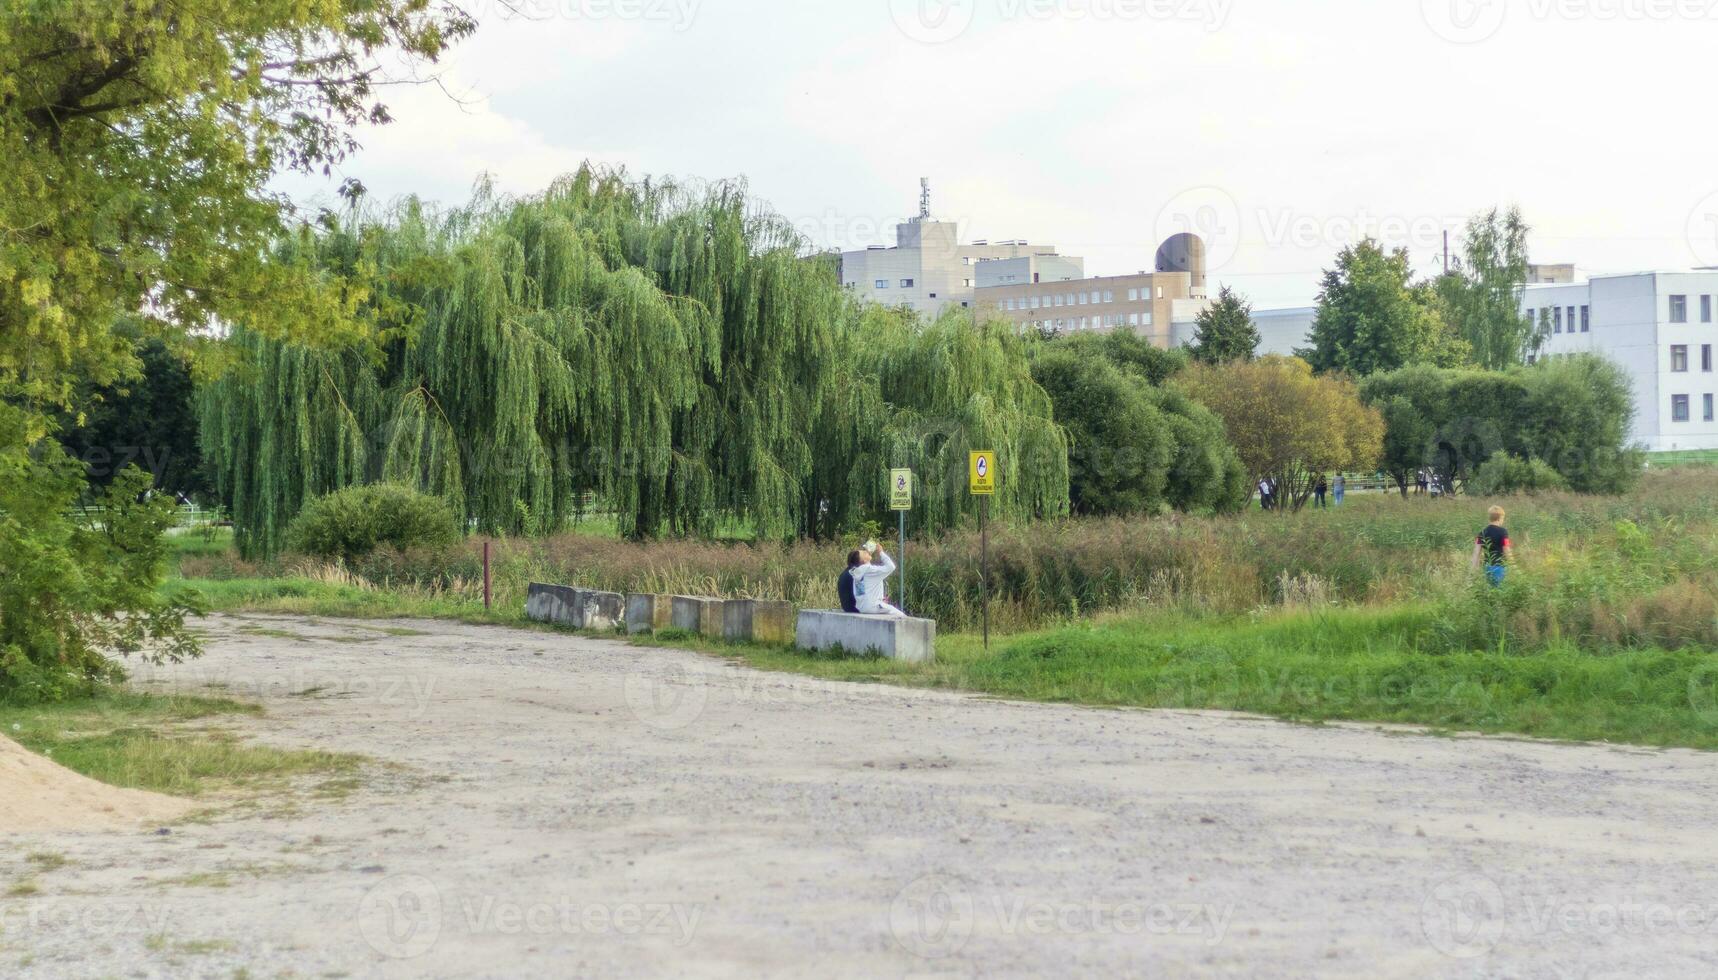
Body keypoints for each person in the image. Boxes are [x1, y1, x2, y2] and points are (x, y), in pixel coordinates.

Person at [849, 540, 905, 617]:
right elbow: (891, 567)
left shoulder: (857, 572)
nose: (867, 552)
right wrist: (881, 552)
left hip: (862, 607)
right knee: (902, 616)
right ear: (864, 560)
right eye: (864, 553)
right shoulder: (869, 570)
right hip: (873, 606)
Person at [1470, 505, 1513, 587]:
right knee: (1499, 591)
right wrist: (1514, 567)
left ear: (1490, 517)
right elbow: (1507, 550)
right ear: (1500, 517)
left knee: (1491, 591)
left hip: (1487, 568)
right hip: (1499, 567)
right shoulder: (1503, 532)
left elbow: (1476, 553)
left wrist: (1472, 571)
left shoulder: (1482, 533)